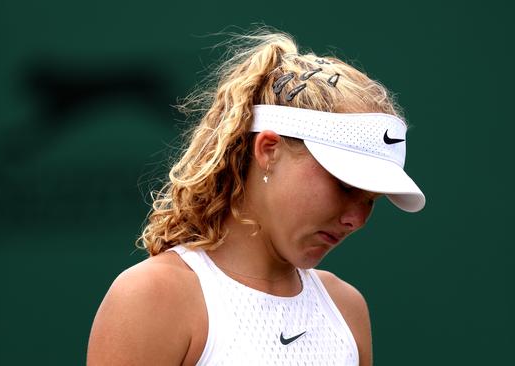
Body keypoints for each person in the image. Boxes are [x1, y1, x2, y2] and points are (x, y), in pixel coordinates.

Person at [87, 29, 425, 366]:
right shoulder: (152, 297)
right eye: (345, 186)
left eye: (371, 199)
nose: (357, 219)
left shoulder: (347, 309)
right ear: (269, 150)